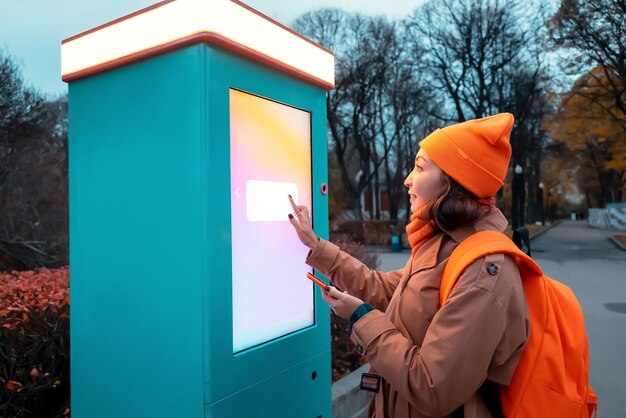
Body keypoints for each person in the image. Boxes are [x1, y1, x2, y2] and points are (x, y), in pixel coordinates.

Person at [288, 113, 529, 418]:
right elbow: (388, 290)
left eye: (419, 167)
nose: (407, 179)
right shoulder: (445, 245)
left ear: (453, 181)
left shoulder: (483, 270)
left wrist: (361, 317)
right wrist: (317, 247)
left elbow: (433, 388)